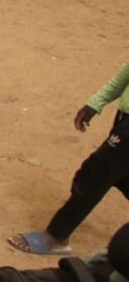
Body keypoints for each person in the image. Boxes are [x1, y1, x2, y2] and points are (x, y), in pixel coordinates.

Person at [9, 61, 129, 255]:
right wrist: (96, 102)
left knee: (96, 174)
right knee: (121, 174)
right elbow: (126, 72)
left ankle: (56, 236)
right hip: (124, 117)